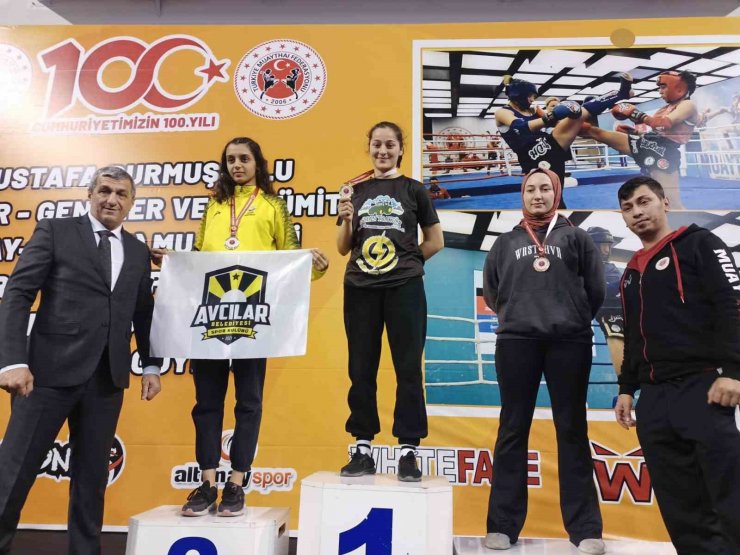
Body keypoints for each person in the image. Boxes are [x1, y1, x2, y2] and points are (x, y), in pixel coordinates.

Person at [0, 166, 162, 555]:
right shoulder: (56, 232)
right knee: (13, 474)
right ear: (89, 194)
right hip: (45, 376)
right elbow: (18, 293)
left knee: (91, 482)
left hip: (107, 380)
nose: (112, 200)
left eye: (121, 194)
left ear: (132, 203)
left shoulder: (137, 251)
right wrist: (12, 361)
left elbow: (143, 312)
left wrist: (151, 365)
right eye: (104, 191)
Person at [171, 137, 329, 517]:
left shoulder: (273, 205)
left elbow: (289, 256)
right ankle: (207, 483)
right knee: (206, 403)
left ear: (258, 163)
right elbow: (198, 258)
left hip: (253, 318)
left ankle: (237, 483)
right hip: (211, 317)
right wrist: (174, 264)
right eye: (230, 160)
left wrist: (313, 267)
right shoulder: (213, 205)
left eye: (244, 158)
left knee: (249, 403)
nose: (237, 165)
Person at [614, 176, 740, 555]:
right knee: (680, 505)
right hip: (654, 401)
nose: (637, 212)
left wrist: (735, 371)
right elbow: (633, 336)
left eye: (644, 201)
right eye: (628, 208)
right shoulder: (630, 272)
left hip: (704, 388)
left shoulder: (700, 243)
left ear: (664, 202)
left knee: (729, 496)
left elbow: (733, 305)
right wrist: (626, 388)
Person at [482, 167, 606, 554]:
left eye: (545, 189)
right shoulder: (505, 242)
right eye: (531, 189)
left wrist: (570, 318)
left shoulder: (576, 237)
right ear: (522, 195)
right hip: (517, 342)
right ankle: (503, 526)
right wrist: (519, 317)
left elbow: (596, 290)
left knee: (572, 429)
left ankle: (585, 529)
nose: (538, 195)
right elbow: (493, 293)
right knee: (512, 429)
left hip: (569, 342)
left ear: (556, 194)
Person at [336, 121, 443, 482]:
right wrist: (346, 220)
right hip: (360, 286)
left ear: (400, 150)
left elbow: (435, 241)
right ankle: (362, 447)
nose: (382, 150)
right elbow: (342, 247)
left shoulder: (414, 190)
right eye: (377, 144)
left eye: (390, 145)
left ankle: (408, 450)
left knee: (408, 368)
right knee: (361, 368)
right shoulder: (354, 190)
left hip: (404, 288)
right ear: (369, 147)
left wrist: (405, 263)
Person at [495, 73, 632, 197]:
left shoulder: (533, 110)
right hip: (532, 157)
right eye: (530, 96)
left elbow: (557, 123)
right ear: (518, 95)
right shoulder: (502, 112)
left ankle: (620, 94)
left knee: (582, 115)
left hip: (551, 144)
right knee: (551, 197)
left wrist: (572, 116)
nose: (532, 99)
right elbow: (520, 128)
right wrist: (552, 115)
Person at [584, 70, 698, 209]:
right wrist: (636, 132)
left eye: (663, 87)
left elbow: (663, 124)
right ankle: (582, 114)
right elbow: (658, 132)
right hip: (648, 142)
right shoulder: (666, 108)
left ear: (679, 88)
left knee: (672, 204)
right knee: (596, 132)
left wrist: (635, 113)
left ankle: (687, 224)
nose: (660, 91)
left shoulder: (688, 105)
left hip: (664, 152)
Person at [587, 227, 624, 375]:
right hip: (608, 313)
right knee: (615, 331)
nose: (606, 250)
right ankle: (624, 383)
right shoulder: (583, 267)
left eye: (608, 246)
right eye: (603, 245)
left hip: (626, 312)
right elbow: (599, 291)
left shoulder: (611, 267)